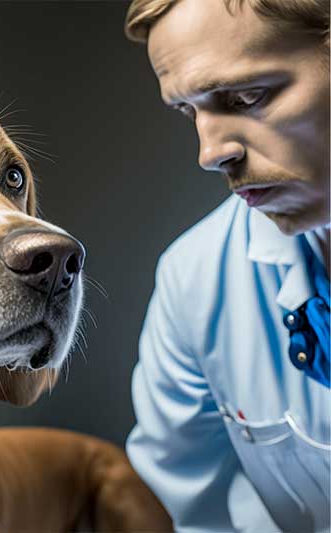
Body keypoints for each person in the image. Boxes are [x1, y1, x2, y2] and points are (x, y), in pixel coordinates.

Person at [123, 0, 330, 531]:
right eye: (189, 112)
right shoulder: (196, 279)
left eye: (246, 95)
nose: (211, 152)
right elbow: (189, 514)